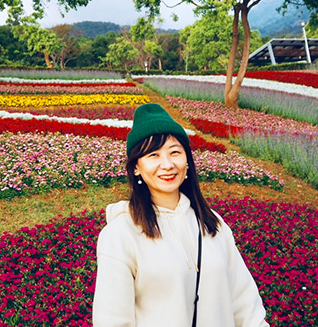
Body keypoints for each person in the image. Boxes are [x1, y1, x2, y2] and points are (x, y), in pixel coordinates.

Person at [92, 103, 269, 327]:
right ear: (136, 167)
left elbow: (246, 305)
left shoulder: (212, 224)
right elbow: (112, 321)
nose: (167, 165)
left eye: (175, 152)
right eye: (153, 155)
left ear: (187, 161)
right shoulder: (121, 234)